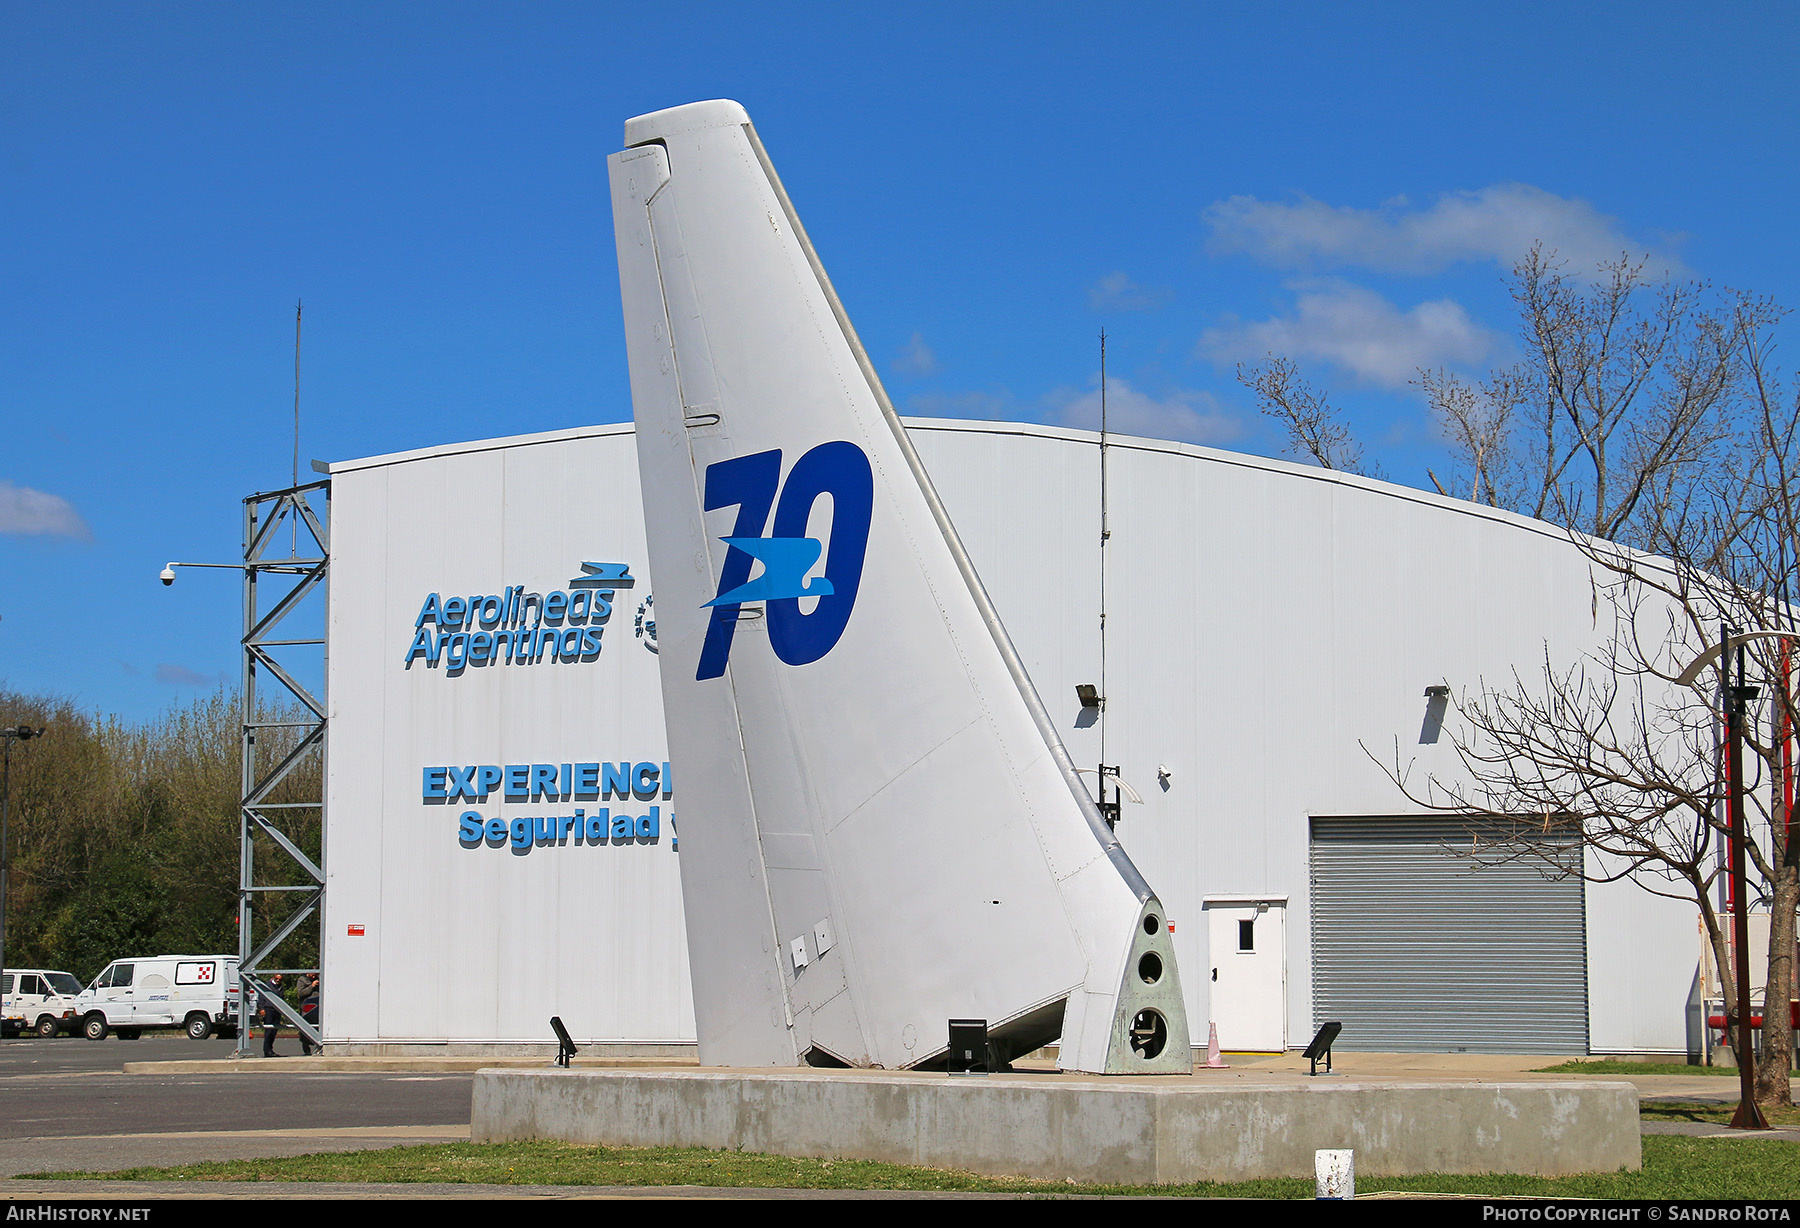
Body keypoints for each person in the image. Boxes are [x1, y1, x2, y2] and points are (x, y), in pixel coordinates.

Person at [258, 974, 285, 1057]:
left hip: (277, 1010)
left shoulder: (281, 987)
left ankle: (270, 1049)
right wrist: (261, 1008)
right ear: (273, 977)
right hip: (268, 1009)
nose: (278, 981)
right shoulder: (267, 986)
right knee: (269, 1031)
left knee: (274, 1031)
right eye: (276, 979)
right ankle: (267, 1050)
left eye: (279, 979)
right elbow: (261, 997)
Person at [298, 974, 320, 1056]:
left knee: (318, 1027)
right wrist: (312, 986)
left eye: (316, 975)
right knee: (305, 1029)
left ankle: (318, 1048)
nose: (314, 977)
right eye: (313, 975)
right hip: (307, 1007)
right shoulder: (302, 980)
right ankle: (306, 1049)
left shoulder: (320, 979)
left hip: (318, 1006)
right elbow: (301, 993)